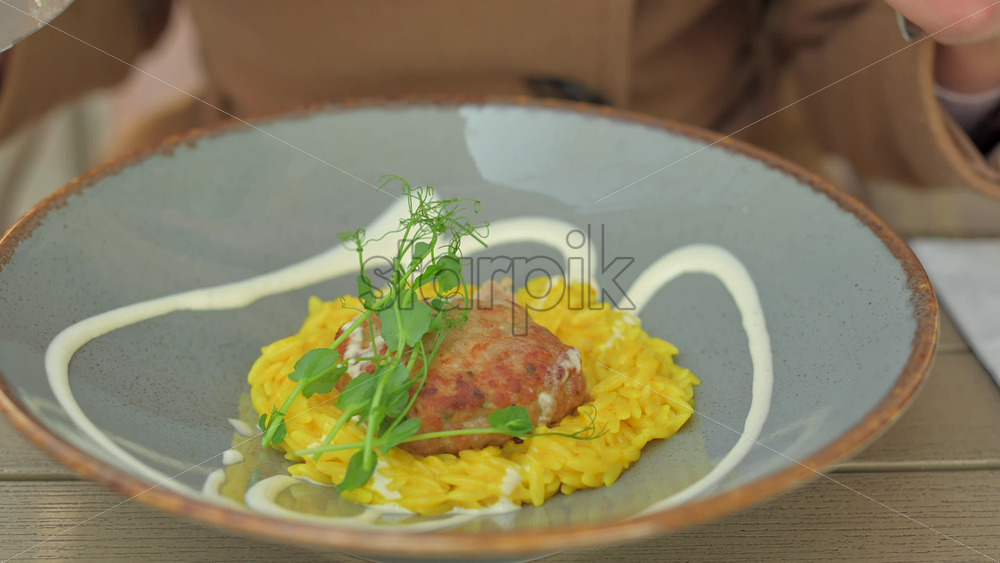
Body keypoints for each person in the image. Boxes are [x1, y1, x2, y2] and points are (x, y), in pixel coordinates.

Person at [0, 1, 998, 232]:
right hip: (264, 204)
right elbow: (78, 25)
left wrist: (966, 35)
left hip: (687, 214)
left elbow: (838, 43)